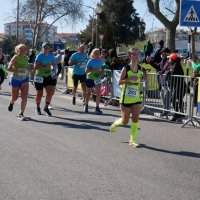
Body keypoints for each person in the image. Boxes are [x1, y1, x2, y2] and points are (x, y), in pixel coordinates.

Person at [110, 48, 147, 148]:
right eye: (133, 54)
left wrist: (144, 77)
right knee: (125, 121)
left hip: (136, 97)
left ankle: (132, 139)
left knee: (135, 119)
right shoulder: (126, 68)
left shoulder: (140, 68)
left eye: (137, 54)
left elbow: (142, 79)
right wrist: (129, 79)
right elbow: (119, 82)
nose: (135, 56)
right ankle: (115, 124)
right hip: (126, 98)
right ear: (130, 56)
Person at [7, 44, 32, 120]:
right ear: (17, 50)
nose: (23, 50)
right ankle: (12, 102)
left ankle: (21, 113)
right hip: (16, 79)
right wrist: (17, 70)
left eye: (24, 49)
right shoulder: (15, 57)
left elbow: (27, 68)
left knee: (24, 97)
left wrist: (30, 70)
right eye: (21, 49)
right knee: (15, 97)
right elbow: (9, 68)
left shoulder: (26, 58)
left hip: (25, 79)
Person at [34, 42, 56, 117]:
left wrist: (54, 71)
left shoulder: (51, 56)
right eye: (45, 48)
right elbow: (36, 67)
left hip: (48, 76)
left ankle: (46, 108)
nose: (46, 49)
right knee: (39, 94)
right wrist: (44, 66)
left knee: (50, 92)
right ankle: (37, 107)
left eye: (48, 48)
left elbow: (53, 64)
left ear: (50, 49)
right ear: (42, 48)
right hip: (39, 76)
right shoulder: (39, 56)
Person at [165, 53, 186, 121]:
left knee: (173, 100)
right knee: (179, 100)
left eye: (169, 58)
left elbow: (172, 72)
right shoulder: (172, 64)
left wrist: (168, 72)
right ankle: (180, 113)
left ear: (173, 59)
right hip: (177, 86)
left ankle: (177, 114)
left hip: (180, 86)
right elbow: (168, 71)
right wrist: (168, 72)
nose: (168, 59)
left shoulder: (176, 65)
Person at [84, 48, 104, 114]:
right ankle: (86, 105)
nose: (98, 55)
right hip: (90, 78)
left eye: (99, 53)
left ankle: (97, 108)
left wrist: (101, 72)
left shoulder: (101, 61)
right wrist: (93, 69)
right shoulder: (90, 61)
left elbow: (102, 71)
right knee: (88, 93)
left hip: (97, 79)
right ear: (93, 54)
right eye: (96, 53)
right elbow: (86, 71)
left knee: (98, 93)